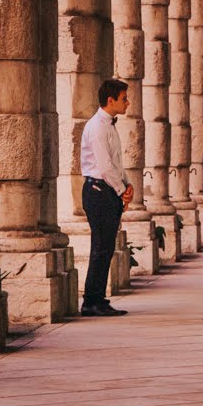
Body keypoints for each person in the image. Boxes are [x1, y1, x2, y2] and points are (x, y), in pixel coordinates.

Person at [79, 78, 134, 317]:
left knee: (106, 247)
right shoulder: (98, 127)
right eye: (124, 99)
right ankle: (91, 301)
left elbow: (115, 162)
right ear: (110, 100)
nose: (128, 103)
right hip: (98, 191)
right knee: (101, 247)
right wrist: (122, 190)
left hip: (107, 190)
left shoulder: (110, 125)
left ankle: (97, 298)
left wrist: (127, 184)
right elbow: (103, 166)